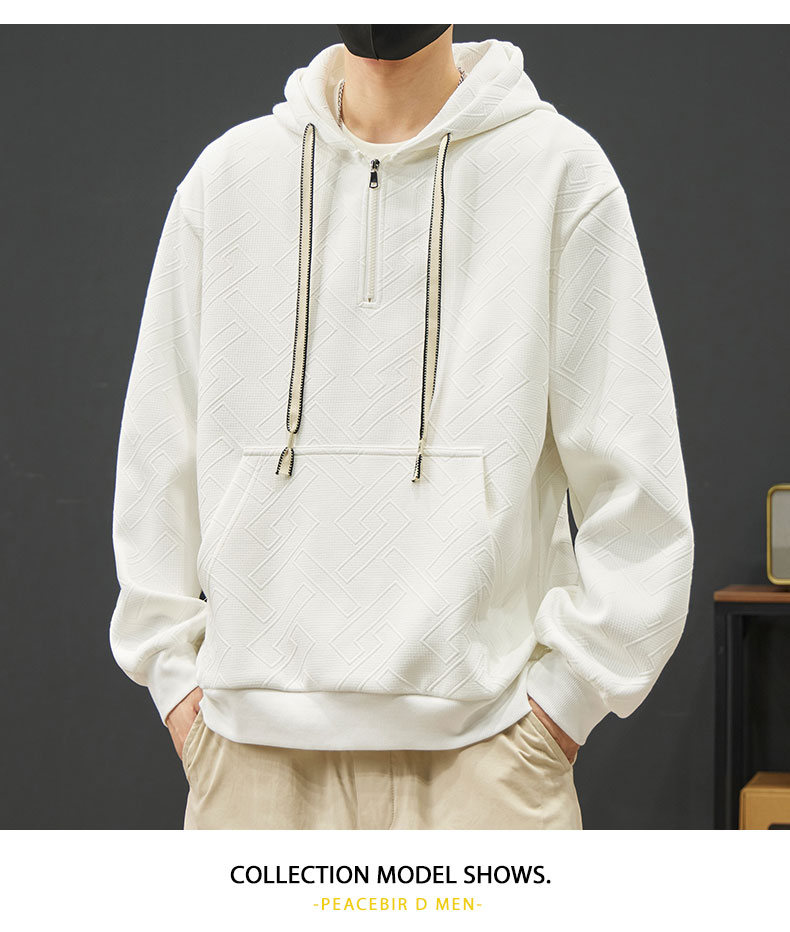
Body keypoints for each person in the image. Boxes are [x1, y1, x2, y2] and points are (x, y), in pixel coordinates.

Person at [109, 25, 695, 830]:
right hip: (251, 766)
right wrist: (177, 688)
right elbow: (155, 461)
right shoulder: (228, 181)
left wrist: (565, 707)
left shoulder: (557, 172)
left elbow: (638, 485)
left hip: (487, 764)